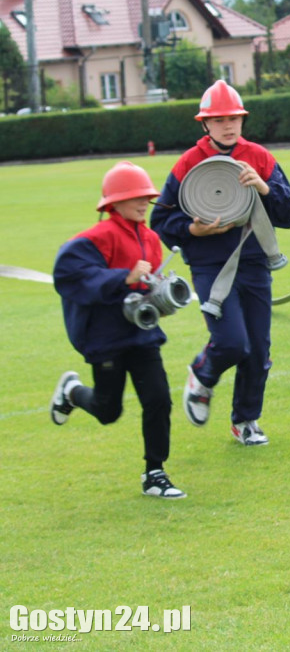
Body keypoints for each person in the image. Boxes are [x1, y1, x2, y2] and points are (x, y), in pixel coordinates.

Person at [151, 80, 290, 446]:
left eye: (233, 117)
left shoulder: (260, 157)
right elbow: (160, 221)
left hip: (253, 262)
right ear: (205, 124)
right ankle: (202, 374)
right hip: (209, 266)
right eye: (219, 120)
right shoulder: (188, 163)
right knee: (233, 342)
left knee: (259, 347)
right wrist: (192, 229)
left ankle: (246, 420)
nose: (228, 125)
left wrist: (264, 188)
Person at [51, 161, 185, 498]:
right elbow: (66, 273)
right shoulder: (95, 238)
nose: (144, 203)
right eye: (136, 197)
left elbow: (147, 287)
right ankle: (72, 392)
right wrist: (121, 277)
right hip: (106, 338)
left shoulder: (152, 240)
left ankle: (155, 473)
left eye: (147, 197)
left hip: (142, 335)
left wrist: (162, 295)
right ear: (114, 203)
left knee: (158, 399)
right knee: (109, 411)